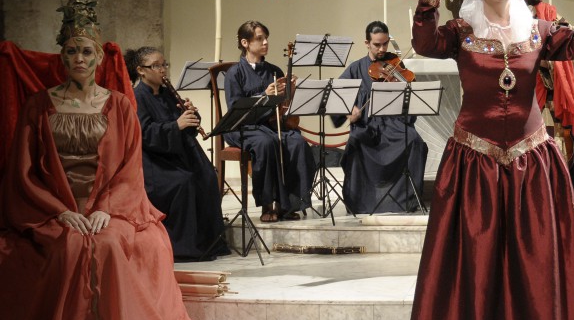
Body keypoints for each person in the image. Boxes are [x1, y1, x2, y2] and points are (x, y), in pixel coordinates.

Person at [0, 0, 252, 320]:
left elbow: (128, 168)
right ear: (61, 57)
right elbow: (24, 172)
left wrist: (107, 208)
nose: (78, 59)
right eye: (70, 52)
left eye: (86, 51)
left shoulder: (117, 105)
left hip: (109, 206)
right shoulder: (39, 105)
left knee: (109, 244)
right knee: (69, 246)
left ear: (99, 57)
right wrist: (59, 210)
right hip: (56, 207)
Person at [405, 0, 574, 320]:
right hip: (474, 161)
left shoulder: (540, 30)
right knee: (475, 259)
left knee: (533, 260)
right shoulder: (461, 31)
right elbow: (423, 43)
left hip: (531, 160)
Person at [126, 46, 227, 260]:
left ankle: (211, 242)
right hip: (154, 160)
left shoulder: (167, 93)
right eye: (156, 65)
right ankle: (184, 248)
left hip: (175, 153)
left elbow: (187, 128)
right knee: (184, 182)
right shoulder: (137, 98)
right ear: (141, 70)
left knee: (207, 175)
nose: (163, 70)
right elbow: (144, 133)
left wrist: (191, 116)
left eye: (164, 64)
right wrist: (176, 126)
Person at [512, 0, 574, 212]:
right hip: (517, 90)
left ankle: (566, 193)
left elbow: (569, 51)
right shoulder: (498, 15)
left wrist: (552, 59)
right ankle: (529, 196)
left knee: (563, 140)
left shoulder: (547, 12)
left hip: (549, 89)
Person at [223, 20, 315, 222]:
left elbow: (283, 106)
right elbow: (236, 109)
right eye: (259, 38)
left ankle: (288, 204)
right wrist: (264, 95)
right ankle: (266, 205)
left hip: (270, 124)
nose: (265, 42)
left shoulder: (275, 71)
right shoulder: (234, 74)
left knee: (297, 142)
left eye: (266, 38)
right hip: (242, 127)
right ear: (245, 43)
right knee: (266, 144)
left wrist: (290, 94)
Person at [334, 21, 428, 214]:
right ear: (367, 43)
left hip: (394, 124)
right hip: (367, 126)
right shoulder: (355, 68)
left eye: (385, 43)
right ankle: (360, 203)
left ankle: (406, 201)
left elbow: (410, 98)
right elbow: (338, 93)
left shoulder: (396, 65)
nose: (382, 49)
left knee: (415, 141)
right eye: (377, 44)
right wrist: (349, 110)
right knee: (354, 143)